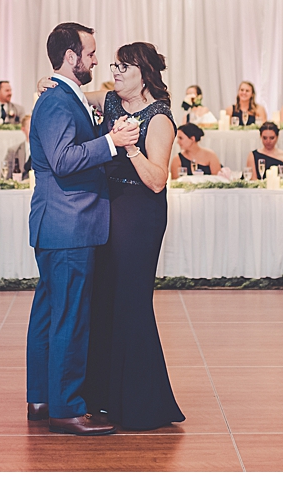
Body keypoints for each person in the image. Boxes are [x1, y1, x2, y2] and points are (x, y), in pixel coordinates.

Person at [26, 20, 139, 435]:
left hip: (59, 224)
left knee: (49, 315)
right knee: (69, 318)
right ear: (71, 57)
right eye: (90, 54)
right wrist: (113, 141)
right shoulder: (58, 101)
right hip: (68, 225)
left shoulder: (63, 95)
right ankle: (68, 410)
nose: (96, 60)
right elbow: (63, 159)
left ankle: (41, 399)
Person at [88, 41, 185, 431]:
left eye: (123, 67)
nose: (115, 72)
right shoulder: (110, 100)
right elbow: (65, 87)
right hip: (106, 205)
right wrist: (47, 81)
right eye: (114, 65)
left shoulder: (159, 118)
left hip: (139, 211)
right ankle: (104, 397)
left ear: (144, 73)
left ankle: (143, 404)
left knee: (130, 301)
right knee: (104, 298)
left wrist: (128, 147)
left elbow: (158, 180)